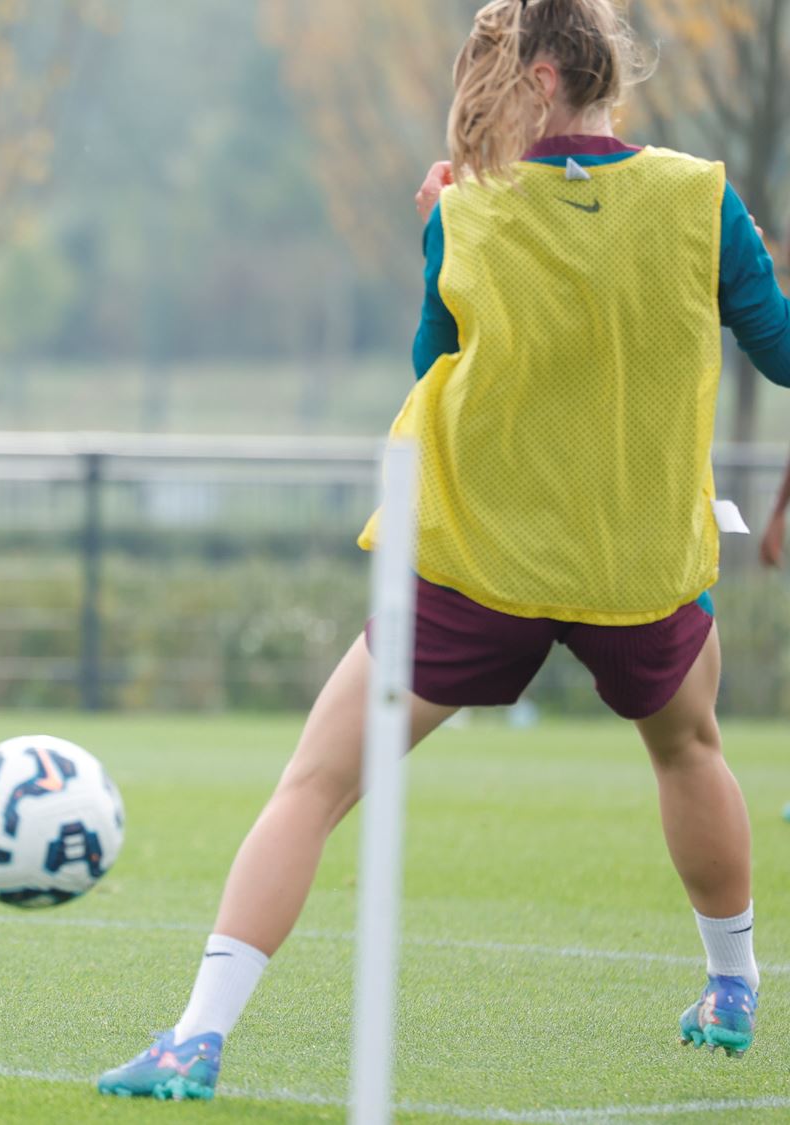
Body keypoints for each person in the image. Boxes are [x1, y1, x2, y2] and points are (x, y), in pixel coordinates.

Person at [101, 0, 788, 1099]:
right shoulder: (701, 199)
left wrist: (439, 226)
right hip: (634, 562)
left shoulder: (463, 211)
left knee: (314, 784)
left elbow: (431, 367)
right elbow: (784, 352)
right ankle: (731, 984)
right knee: (687, 748)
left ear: (544, 76)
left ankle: (196, 1037)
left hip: (478, 558)